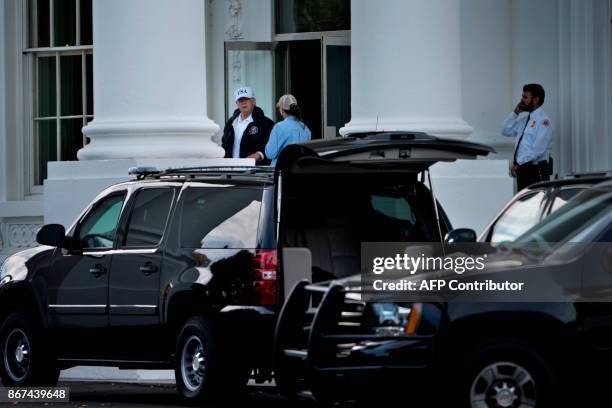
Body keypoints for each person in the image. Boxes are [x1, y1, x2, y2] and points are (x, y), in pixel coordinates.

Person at [501, 83, 554, 191]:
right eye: (522, 97)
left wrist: (518, 164)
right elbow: (505, 130)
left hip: (535, 172)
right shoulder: (525, 120)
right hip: (524, 171)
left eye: (525, 97)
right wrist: (515, 112)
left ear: (535, 100)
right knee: (524, 205)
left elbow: (537, 150)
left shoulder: (544, 121)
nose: (522, 100)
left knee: (535, 205)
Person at [222, 86, 274, 165]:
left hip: (255, 171)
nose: (243, 102)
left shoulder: (266, 123)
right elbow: (225, 144)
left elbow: (272, 146)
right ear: (237, 103)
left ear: (254, 101)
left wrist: (259, 154)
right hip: (231, 169)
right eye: (240, 100)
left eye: (246, 99)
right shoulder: (230, 123)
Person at [260, 94, 311, 166]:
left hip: (282, 172)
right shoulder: (305, 128)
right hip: (300, 171)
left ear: (282, 110)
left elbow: (270, 154)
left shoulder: (279, 127)